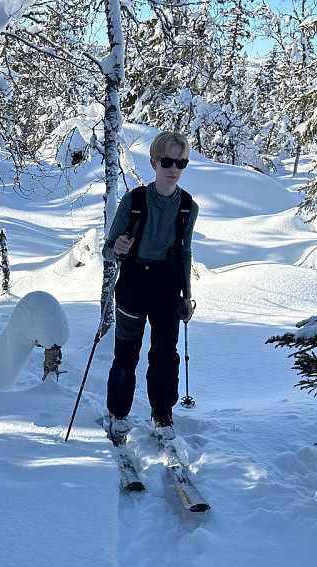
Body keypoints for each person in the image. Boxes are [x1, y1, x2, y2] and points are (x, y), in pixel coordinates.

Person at [103, 131, 199, 444]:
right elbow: (107, 249)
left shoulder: (187, 206)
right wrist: (118, 248)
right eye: (168, 161)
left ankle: (162, 414)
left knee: (164, 354)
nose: (174, 168)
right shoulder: (134, 201)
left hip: (167, 284)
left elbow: (185, 251)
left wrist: (187, 296)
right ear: (154, 163)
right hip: (133, 283)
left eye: (181, 162)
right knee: (126, 353)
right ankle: (118, 413)